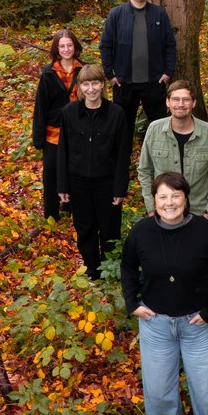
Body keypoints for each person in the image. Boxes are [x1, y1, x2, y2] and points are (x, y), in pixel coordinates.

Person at [121, 172, 208, 415]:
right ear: (154, 200)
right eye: (163, 196)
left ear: (185, 197)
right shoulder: (141, 231)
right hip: (157, 326)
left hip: (197, 325)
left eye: (175, 195)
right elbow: (128, 268)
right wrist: (133, 304)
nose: (169, 202)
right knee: (159, 392)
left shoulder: (203, 230)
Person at [57, 66, 130, 280]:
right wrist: (62, 185)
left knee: (109, 229)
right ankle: (92, 269)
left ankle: (109, 269)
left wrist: (120, 187)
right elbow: (63, 151)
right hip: (78, 182)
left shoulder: (116, 114)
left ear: (102, 85)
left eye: (95, 83)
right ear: (80, 87)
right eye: (86, 84)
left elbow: (122, 155)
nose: (91, 89)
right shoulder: (69, 113)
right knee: (85, 228)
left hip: (107, 183)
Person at [99, 0, 177, 134]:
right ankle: (122, 159)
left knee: (160, 128)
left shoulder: (159, 14)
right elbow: (105, 46)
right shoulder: (116, 14)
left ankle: (158, 158)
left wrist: (168, 72)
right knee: (122, 127)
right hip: (123, 83)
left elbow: (170, 45)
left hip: (154, 82)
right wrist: (110, 75)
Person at [138, 81, 208, 221]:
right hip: (163, 211)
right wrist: (151, 208)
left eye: (186, 100)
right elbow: (144, 170)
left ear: (194, 103)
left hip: (198, 212)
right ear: (167, 102)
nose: (180, 104)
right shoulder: (154, 130)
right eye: (175, 99)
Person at [32, 30, 83, 222]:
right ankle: (51, 215)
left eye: (69, 45)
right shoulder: (48, 74)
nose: (66, 49)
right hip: (53, 134)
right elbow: (41, 108)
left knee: (74, 171)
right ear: (56, 49)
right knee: (52, 174)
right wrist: (38, 138)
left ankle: (72, 207)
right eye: (62, 46)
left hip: (79, 133)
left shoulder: (83, 71)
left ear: (75, 47)